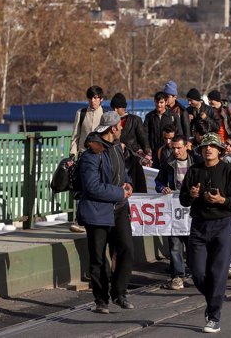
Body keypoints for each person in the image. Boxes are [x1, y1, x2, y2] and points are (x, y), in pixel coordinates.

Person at [179, 132, 231, 333]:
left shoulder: (229, 171)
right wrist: (191, 195)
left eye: (212, 147)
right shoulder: (193, 171)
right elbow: (183, 200)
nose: (208, 149)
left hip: (221, 226)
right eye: (205, 146)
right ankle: (214, 298)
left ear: (220, 151)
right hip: (198, 226)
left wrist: (222, 200)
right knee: (198, 273)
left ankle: (214, 316)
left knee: (218, 273)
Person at [76, 111, 134, 314]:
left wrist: (127, 183)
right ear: (112, 128)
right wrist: (120, 192)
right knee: (98, 258)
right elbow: (92, 186)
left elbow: (122, 171)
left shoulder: (117, 147)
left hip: (118, 209)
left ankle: (119, 292)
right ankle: (101, 299)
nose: (121, 130)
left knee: (126, 249)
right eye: (119, 127)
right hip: (97, 211)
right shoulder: (92, 152)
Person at [155, 135, 200, 290]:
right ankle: (177, 276)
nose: (176, 151)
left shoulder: (197, 161)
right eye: (173, 148)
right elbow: (159, 182)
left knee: (194, 244)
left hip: (194, 209)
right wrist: (162, 188)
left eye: (179, 148)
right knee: (175, 244)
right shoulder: (168, 163)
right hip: (175, 210)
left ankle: (197, 273)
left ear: (186, 146)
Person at [69, 85, 105, 233]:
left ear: (101, 99)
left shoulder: (105, 114)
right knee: (83, 188)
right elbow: (75, 136)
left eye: (96, 98)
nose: (93, 101)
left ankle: (96, 219)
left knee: (98, 188)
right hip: (84, 156)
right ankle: (80, 220)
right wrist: (72, 154)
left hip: (101, 156)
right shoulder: (81, 113)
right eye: (90, 98)